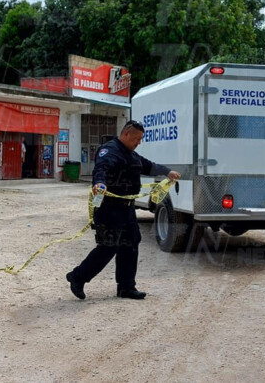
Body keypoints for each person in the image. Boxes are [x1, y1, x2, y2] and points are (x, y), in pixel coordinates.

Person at [66, 120, 181, 300]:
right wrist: (99, 183)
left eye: (140, 139)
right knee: (108, 247)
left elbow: (149, 166)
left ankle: (126, 287)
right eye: (136, 139)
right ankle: (77, 277)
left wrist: (167, 172)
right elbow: (101, 169)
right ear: (126, 134)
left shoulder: (132, 155)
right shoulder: (109, 151)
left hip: (127, 210)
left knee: (130, 245)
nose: (138, 142)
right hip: (109, 208)